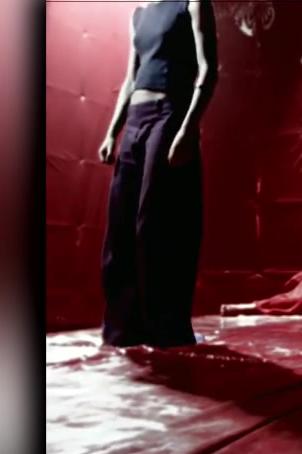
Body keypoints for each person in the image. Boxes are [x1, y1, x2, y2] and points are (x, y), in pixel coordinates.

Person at [97, 0, 218, 348]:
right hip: (136, 119)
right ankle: (124, 329)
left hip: (169, 113)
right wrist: (113, 132)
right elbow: (130, 80)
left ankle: (165, 327)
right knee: (120, 225)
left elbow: (209, 69)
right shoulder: (138, 13)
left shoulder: (191, 3)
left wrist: (188, 129)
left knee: (154, 222)